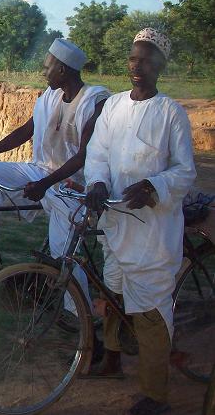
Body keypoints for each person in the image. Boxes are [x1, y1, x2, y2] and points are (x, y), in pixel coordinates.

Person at [85, 28, 196, 415]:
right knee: (113, 292)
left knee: (150, 311)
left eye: (146, 58)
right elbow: (97, 152)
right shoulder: (113, 107)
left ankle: (155, 395)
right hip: (117, 222)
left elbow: (184, 172)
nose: (137, 65)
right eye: (133, 57)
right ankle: (112, 358)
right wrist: (97, 181)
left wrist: (155, 185)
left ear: (160, 65)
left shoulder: (171, 113)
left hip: (152, 231)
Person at [0, 38, 110, 314]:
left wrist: (44, 185)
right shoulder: (50, 96)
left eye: (47, 67)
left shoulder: (95, 102)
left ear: (63, 70)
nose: (43, 72)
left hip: (72, 185)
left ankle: (80, 317)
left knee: (62, 253)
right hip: (40, 171)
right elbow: (26, 131)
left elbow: (84, 156)